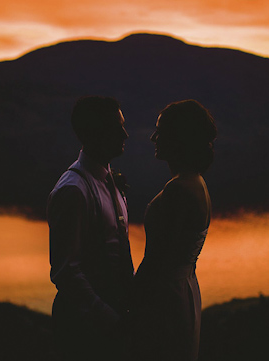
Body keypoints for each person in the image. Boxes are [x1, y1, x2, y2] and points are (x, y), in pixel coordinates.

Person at [47, 96, 134, 361]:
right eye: (116, 127)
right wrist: (108, 319)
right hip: (85, 327)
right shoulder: (73, 190)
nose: (125, 134)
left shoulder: (110, 182)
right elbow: (66, 271)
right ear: (94, 133)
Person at [130, 99, 216, 361]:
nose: (154, 137)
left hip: (164, 300)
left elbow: (156, 261)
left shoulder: (178, 189)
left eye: (161, 131)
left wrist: (128, 305)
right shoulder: (196, 182)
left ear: (179, 138)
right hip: (185, 289)